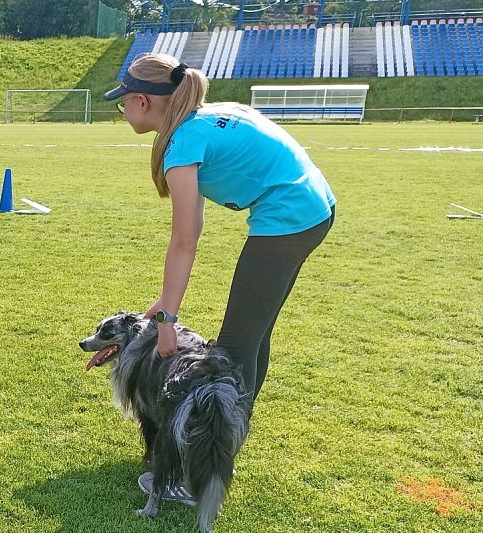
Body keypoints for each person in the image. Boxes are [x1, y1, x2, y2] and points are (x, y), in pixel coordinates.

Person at [104, 53, 336, 501]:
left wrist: (168, 319)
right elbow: (195, 228)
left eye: (123, 104)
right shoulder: (202, 117)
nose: (123, 111)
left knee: (231, 350)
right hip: (313, 208)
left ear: (142, 101)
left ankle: (203, 472)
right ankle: (221, 444)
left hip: (291, 216)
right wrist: (165, 303)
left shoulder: (181, 145)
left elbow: (184, 240)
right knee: (252, 340)